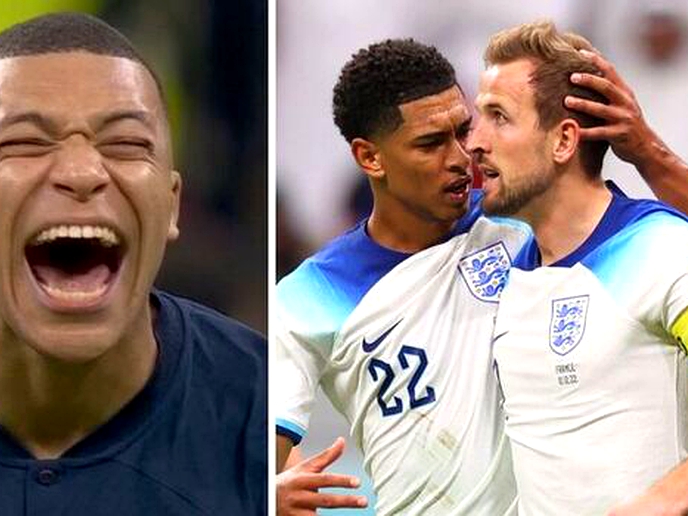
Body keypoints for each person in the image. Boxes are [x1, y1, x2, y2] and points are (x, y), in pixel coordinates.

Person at [275, 36, 688, 515]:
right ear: (370, 158)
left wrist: (649, 154)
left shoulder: (519, 224)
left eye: (466, 128)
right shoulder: (308, 298)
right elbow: (255, 451)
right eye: (431, 143)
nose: (463, 153)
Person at [0, 12, 266, 515]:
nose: (81, 172)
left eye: (124, 143)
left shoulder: (266, 413)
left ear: (171, 204)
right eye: (23, 143)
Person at [468, 20, 688, 515]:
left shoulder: (660, 250)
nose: (475, 142)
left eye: (498, 117)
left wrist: (659, 502)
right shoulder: (503, 272)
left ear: (564, 141)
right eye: (477, 119)